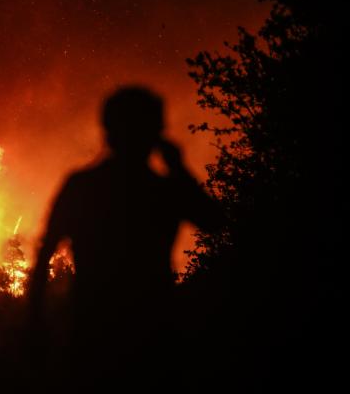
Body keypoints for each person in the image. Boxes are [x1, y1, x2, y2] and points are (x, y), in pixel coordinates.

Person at [26, 86, 223, 385]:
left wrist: (35, 323)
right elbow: (215, 222)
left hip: (93, 335)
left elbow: (43, 257)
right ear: (156, 134)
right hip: (153, 339)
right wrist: (179, 169)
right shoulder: (162, 190)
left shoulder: (82, 186)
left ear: (107, 131)